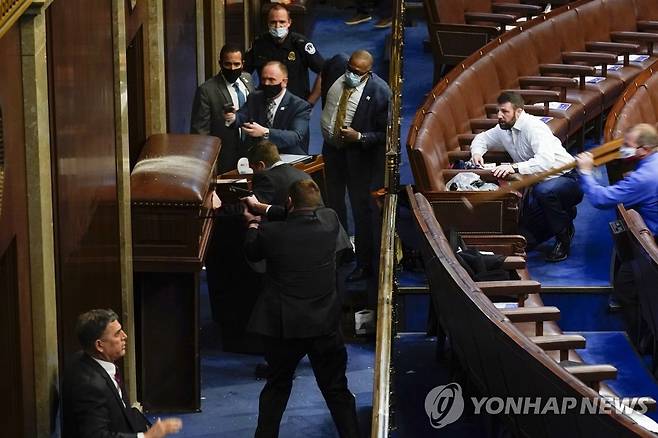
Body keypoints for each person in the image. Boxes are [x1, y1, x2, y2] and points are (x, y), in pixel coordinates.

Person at [243, 179, 360, 438]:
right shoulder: (330, 220)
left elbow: (252, 252)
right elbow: (298, 212)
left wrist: (253, 220)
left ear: (289, 202)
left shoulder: (270, 234)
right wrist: (263, 207)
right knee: (337, 390)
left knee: (277, 387)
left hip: (283, 327)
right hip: (324, 326)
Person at [470, 91, 583, 262]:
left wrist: (513, 167)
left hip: (567, 179)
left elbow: (545, 161)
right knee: (526, 241)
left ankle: (563, 237)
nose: (499, 116)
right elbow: (482, 139)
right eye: (498, 111)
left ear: (519, 112)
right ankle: (565, 215)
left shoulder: (534, 128)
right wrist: (477, 153)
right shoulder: (503, 128)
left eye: (504, 111)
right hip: (537, 185)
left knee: (544, 191)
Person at [576, 123, 658, 340]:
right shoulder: (651, 165)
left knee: (625, 286)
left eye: (628, 146)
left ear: (644, 149)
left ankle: (643, 339)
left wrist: (585, 172)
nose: (623, 149)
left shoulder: (643, 178)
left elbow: (600, 199)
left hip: (654, 246)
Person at [320, 49, 391, 281]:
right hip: (331, 152)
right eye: (349, 68)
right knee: (333, 202)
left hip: (359, 159)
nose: (350, 74)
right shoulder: (335, 71)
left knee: (361, 211)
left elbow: (385, 136)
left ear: (368, 73)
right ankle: (341, 252)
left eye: (357, 72)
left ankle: (363, 263)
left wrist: (359, 137)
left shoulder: (380, 93)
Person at [62, 308, 182, 438]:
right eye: (117, 334)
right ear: (99, 345)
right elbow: (96, 435)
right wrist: (146, 436)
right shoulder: (90, 386)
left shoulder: (86, 358)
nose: (124, 336)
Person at [190, 43, 255, 174]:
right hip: (225, 156)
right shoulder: (207, 90)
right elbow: (200, 133)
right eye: (228, 64)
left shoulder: (247, 79)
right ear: (220, 63)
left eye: (236, 64)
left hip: (250, 151)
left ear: (242, 64)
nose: (232, 68)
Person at [224, 61, 311, 155]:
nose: (266, 83)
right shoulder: (255, 98)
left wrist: (265, 132)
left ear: (284, 82)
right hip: (259, 156)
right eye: (263, 79)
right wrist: (232, 117)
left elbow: (295, 136)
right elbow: (242, 116)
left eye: (271, 80)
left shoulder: (299, 106)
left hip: (288, 156)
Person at [245, 4, 324, 104]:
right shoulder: (259, 44)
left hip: (296, 105)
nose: (278, 26)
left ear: (289, 22)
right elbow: (243, 73)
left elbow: (324, 71)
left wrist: (310, 103)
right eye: (273, 22)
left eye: (282, 22)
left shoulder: (301, 44)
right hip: (266, 104)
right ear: (267, 23)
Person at [249, 140, 310, 205]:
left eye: (253, 169)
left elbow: (253, 207)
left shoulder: (266, 180)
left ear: (261, 165)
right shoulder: (304, 175)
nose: (253, 173)